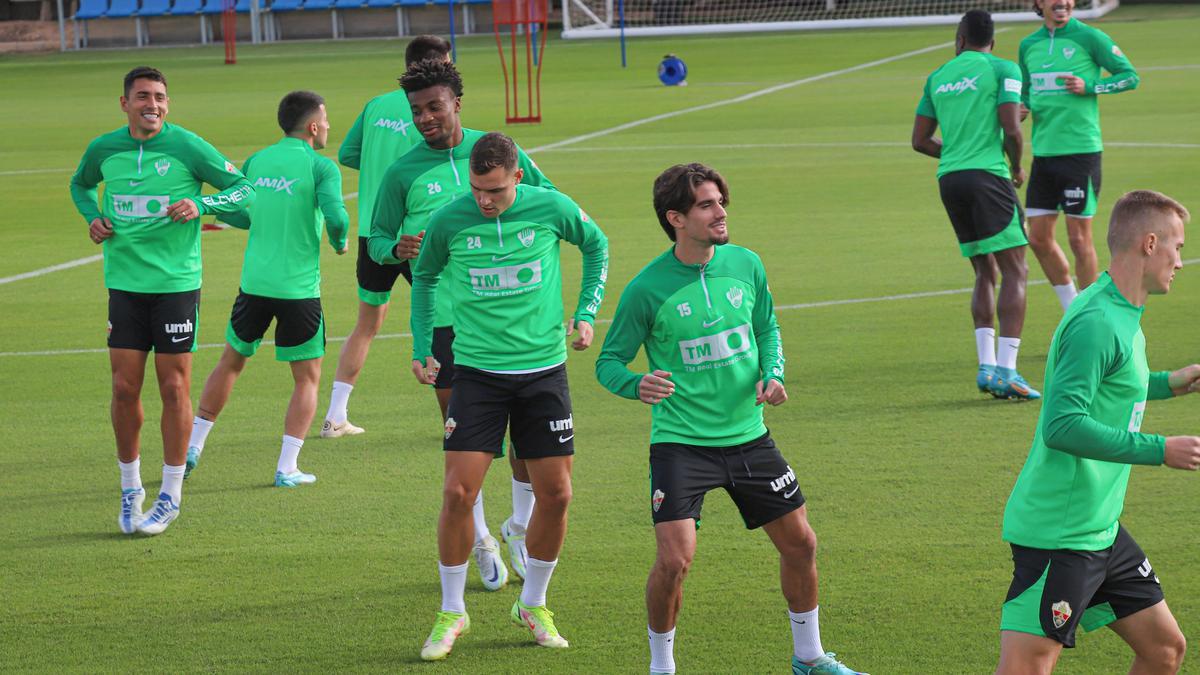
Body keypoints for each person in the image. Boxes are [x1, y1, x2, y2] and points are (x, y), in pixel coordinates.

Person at [595, 163, 864, 675]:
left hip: (749, 437)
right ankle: (662, 667)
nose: (721, 213)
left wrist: (774, 372)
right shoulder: (646, 289)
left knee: (802, 543)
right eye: (706, 205)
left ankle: (808, 657)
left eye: (721, 202)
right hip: (681, 444)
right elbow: (609, 363)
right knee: (675, 561)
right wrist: (636, 384)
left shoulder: (746, 264)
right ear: (676, 217)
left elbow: (766, 327)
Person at [411, 132, 608, 661]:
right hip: (477, 374)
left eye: (495, 190)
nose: (484, 200)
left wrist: (587, 312)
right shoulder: (450, 219)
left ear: (517, 177)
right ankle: (452, 611)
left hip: (544, 374)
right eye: (477, 189)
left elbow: (597, 244)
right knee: (457, 493)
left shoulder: (551, 207)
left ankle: (533, 603)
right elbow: (424, 278)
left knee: (558, 494)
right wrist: (421, 345)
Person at [369, 58, 556, 591]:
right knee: (464, 443)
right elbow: (378, 239)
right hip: (449, 326)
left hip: (513, 322)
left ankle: (519, 525)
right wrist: (394, 247)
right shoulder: (402, 172)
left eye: (434, 106)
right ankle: (479, 539)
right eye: (417, 111)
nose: (426, 118)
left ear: (456, 103)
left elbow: (548, 203)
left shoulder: (498, 153)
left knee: (525, 438)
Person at [997, 190, 1199, 674]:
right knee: (1026, 668)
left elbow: (1115, 383)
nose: (1181, 260)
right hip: (1060, 535)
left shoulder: (1121, 309)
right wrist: (1160, 450)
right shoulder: (1096, 321)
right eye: (1177, 246)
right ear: (1149, 244)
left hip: (1100, 528)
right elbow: (1063, 425)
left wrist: (1171, 383)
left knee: (1164, 650)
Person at [70, 66, 255, 536]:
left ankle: (170, 493)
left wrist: (203, 205)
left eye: (160, 97)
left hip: (175, 285)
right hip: (124, 286)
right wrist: (93, 216)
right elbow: (80, 184)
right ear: (125, 103)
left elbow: (245, 188)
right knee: (123, 389)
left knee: (173, 388)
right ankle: (131, 487)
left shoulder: (188, 146)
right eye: (143, 97)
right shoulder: (104, 149)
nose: (153, 105)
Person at [184, 91, 349, 487]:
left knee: (230, 362)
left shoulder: (257, 161)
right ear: (313, 126)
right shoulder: (320, 167)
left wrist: (209, 207)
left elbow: (243, 214)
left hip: (254, 285)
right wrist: (339, 241)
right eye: (325, 120)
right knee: (306, 379)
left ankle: (193, 445)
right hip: (298, 291)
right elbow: (337, 216)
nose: (328, 126)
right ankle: (286, 467)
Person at [322, 34, 453, 438]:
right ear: (439, 65)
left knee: (367, 324)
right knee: (445, 322)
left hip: (373, 236)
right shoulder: (435, 111)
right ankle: (455, 423)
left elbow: (346, 154)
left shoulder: (377, 105)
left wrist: (380, 167)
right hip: (417, 236)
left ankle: (335, 415)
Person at [912, 10, 1039, 400]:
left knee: (984, 271)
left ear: (959, 39)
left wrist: (957, 153)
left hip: (950, 180)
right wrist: (1017, 166)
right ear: (993, 41)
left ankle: (986, 367)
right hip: (989, 176)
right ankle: (1008, 370)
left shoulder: (938, 76)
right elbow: (1012, 128)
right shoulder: (1004, 68)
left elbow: (920, 140)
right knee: (1016, 271)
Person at [1019, 0, 1139, 310]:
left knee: (1078, 239)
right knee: (1038, 238)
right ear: (1038, 4)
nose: (1063, 2)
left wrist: (1091, 86)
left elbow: (1129, 77)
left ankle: (1089, 317)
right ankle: (1073, 309)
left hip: (1080, 153)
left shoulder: (1090, 37)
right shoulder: (1028, 45)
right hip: (1044, 154)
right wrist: (1018, 109)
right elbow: (1026, 93)